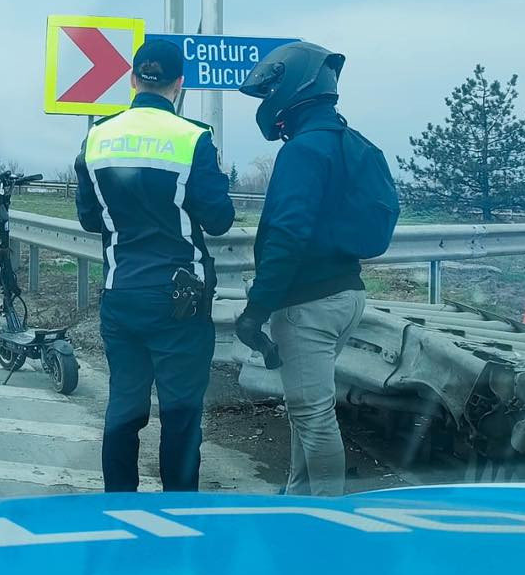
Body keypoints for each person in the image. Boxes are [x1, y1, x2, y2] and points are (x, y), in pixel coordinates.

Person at [234, 41, 397, 496]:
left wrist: (255, 310)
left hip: (307, 303)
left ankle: (326, 517)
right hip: (347, 294)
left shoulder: (304, 151)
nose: (267, 104)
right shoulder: (355, 144)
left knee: (313, 414)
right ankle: (296, 499)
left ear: (292, 89)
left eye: (269, 93)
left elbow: (286, 237)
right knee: (307, 408)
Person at [75, 39, 235, 492]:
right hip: (179, 299)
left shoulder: (98, 137)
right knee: (181, 413)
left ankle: (118, 507)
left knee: (124, 407)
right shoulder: (193, 139)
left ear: (132, 79)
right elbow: (220, 220)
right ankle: (177, 515)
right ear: (178, 84)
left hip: (121, 291)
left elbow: (90, 217)